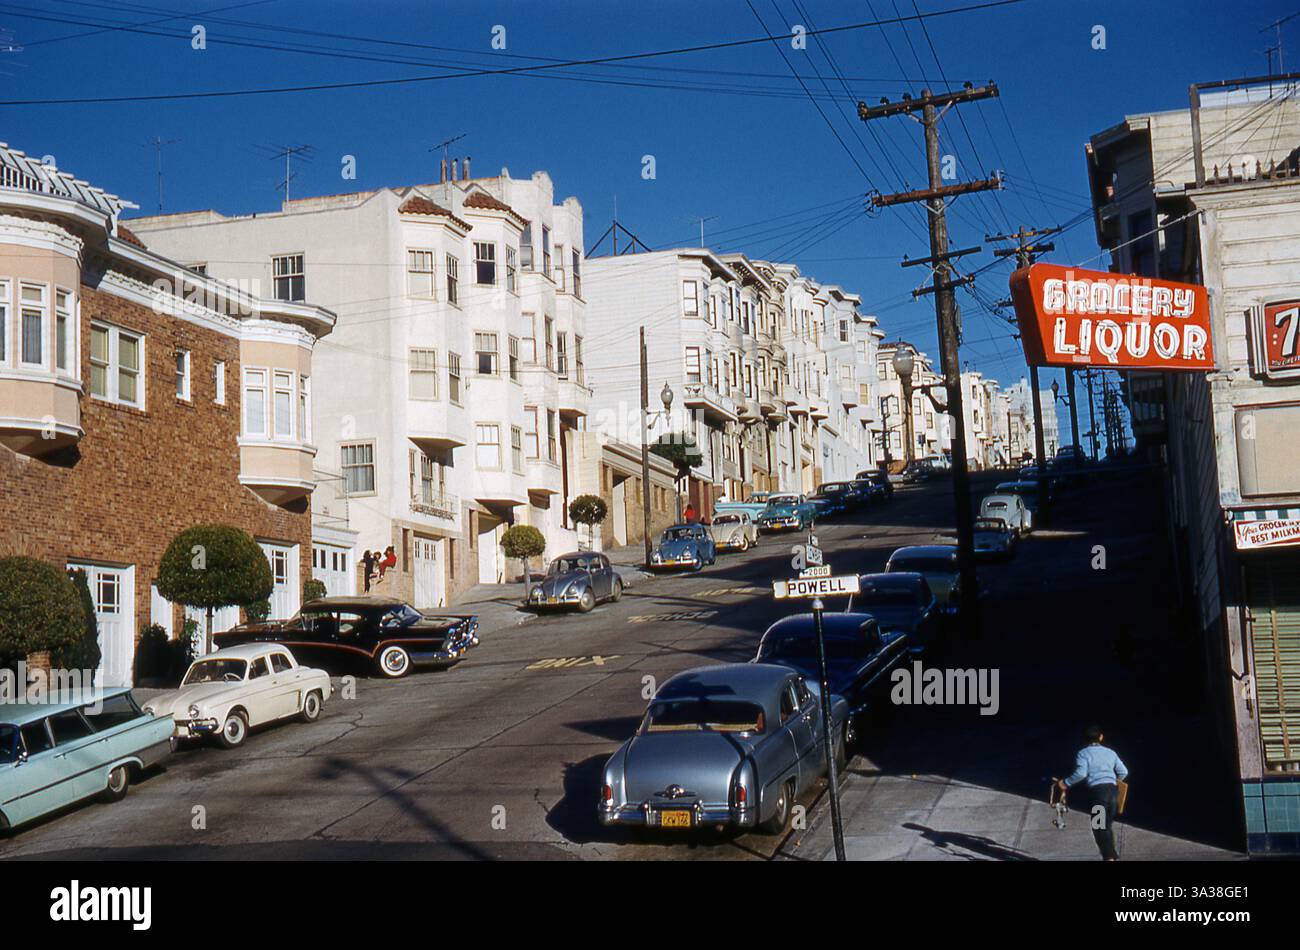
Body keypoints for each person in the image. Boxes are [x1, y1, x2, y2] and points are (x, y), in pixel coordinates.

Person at [1058, 725, 1128, 861]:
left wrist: (1065, 783)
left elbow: (1081, 773)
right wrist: (1114, 780)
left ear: (1084, 739)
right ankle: (1112, 856)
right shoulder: (1110, 752)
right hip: (1113, 794)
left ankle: (1110, 858)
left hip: (1098, 795)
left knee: (1098, 828)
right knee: (1106, 826)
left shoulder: (1083, 753)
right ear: (1101, 737)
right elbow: (1123, 772)